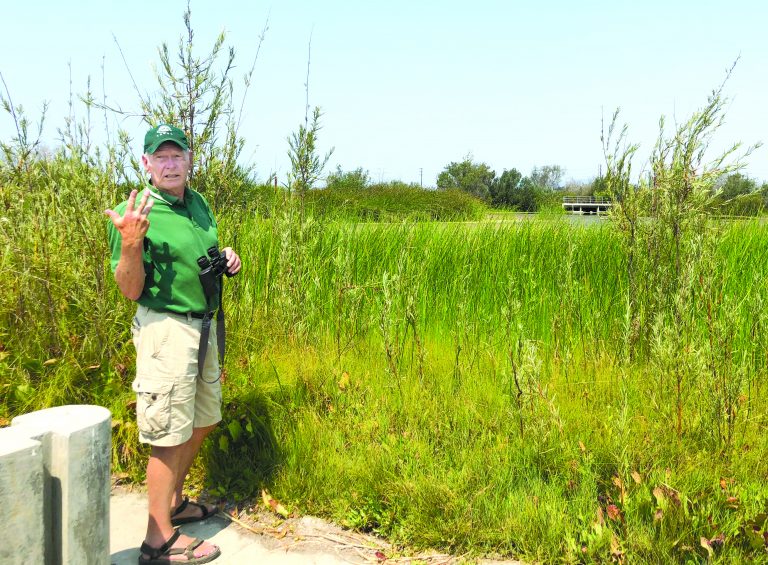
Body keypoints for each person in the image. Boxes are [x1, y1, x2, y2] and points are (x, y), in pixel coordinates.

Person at [106, 124, 241, 564]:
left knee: (204, 417)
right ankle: (156, 539)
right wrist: (130, 242)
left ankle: (174, 503)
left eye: (176, 155)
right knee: (167, 432)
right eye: (159, 157)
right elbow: (129, 288)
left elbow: (205, 250)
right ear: (146, 164)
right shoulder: (135, 212)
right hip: (167, 330)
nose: (169, 164)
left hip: (202, 326)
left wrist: (229, 257)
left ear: (188, 160)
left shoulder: (196, 202)